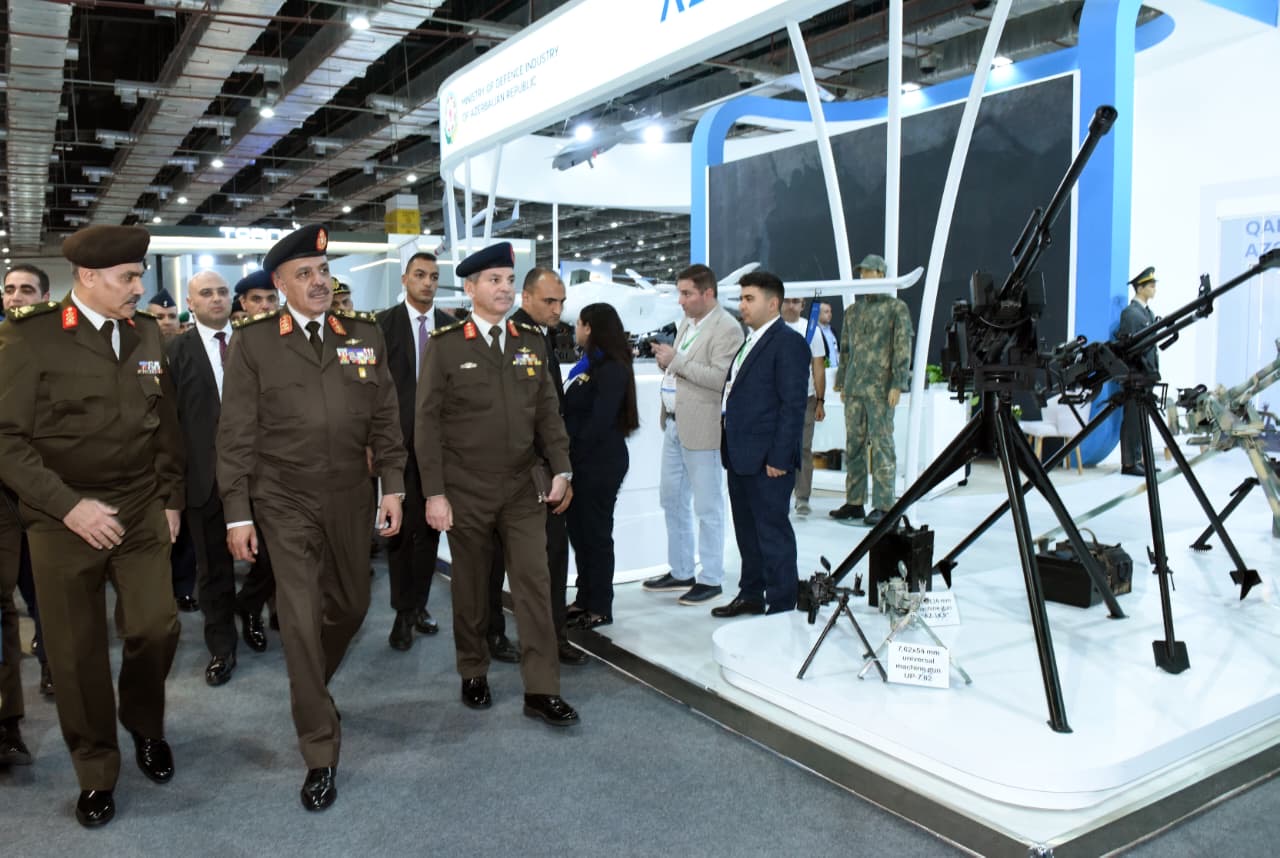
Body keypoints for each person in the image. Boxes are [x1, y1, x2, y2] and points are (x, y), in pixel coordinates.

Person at [217, 224, 406, 812]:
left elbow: (386, 419)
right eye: (305, 274)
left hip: (351, 493)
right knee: (298, 621)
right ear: (280, 284)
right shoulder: (254, 343)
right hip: (284, 498)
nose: (319, 282)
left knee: (352, 605)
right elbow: (235, 435)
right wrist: (237, 514)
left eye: (323, 271)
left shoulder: (363, 335)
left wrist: (393, 486)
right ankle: (320, 750)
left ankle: (311, 688)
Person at [0, 225, 184, 828]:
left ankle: (143, 721)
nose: (139, 288)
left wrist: (171, 496)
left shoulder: (146, 331)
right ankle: (96, 769)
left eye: (139, 275)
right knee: (76, 654)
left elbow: (166, 424)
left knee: (157, 627)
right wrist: (68, 506)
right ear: (88, 277)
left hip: (139, 505)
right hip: (62, 518)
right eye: (128, 277)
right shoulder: (31, 336)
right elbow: (6, 440)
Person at [416, 241, 579, 728]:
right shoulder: (447, 345)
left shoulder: (530, 341)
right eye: (494, 280)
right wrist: (434, 492)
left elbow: (548, 412)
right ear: (470, 288)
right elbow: (426, 423)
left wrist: (563, 469)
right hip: (466, 489)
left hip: (521, 489)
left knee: (535, 585)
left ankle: (542, 689)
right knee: (471, 588)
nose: (505, 288)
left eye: (509, 280)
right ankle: (473, 669)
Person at [168, 270, 275, 687]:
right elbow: (170, 424)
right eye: (206, 293)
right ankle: (222, 647)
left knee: (272, 558)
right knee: (213, 570)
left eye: (222, 292)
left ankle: (249, 605)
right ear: (191, 303)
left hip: (261, 475)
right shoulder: (174, 352)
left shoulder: (255, 342)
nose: (216, 299)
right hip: (205, 479)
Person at [488, 267, 585, 666]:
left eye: (561, 302)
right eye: (549, 301)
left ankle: (549, 637)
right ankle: (496, 634)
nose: (557, 309)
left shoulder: (540, 336)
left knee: (549, 556)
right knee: (502, 557)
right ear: (525, 298)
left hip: (541, 467)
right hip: (521, 469)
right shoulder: (513, 338)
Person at [643, 264, 744, 606]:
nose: (681, 300)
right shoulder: (688, 323)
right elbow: (684, 367)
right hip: (674, 423)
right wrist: (668, 363)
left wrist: (677, 361)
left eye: (687, 293)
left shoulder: (727, 328)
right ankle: (682, 570)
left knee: (707, 506)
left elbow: (720, 379)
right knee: (671, 499)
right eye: (680, 293)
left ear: (708, 293)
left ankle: (711, 577)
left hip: (703, 427)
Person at [712, 271, 809, 617]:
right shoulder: (750, 341)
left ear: (773, 303)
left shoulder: (788, 343)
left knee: (772, 534)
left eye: (749, 299)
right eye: (741, 298)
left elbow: (792, 405)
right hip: (740, 456)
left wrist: (780, 457)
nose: (742, 305)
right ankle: (751, 593)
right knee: (748, 533)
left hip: (769, 460)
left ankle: (781, 605)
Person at [375, 252, 453, 651]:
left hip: (441, 448)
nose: (427, 282)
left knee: (430, 532)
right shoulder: (381, 326)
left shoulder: (452, 328)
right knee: (401, 534)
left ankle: (418, 605)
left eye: (434, 276)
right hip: (398, 446)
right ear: (405, 279)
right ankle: (403, 612)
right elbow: (371, 390)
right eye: (420, 275)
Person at [563, 303, 638, 628]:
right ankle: (584, 598)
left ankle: (600, 605)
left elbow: (600, 420)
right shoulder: (589, 364)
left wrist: (570, 449)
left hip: (599, 462)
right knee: (580, 533)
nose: (575, 330)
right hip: (582, 460)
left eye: (578, 324)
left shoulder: (611, 367)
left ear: (589, 327)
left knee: (596, 534)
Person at [830, 254, 913, 527]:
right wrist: (842, 381)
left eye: (869, 272)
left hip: (880, 389)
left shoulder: (896, 308)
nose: (864, 277)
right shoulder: (853, 311)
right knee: (853, 445)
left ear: (881, 274)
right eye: (862, 273)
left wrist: (898, 383)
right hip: (855, 387)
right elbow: (845, 349)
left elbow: (902, 347)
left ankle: (884, 504)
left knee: (881, 445)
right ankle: (855, 502)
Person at [780, 296, 827, 515]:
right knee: (776, 447)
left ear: (802, 305)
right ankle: (778, 494)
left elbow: (818, 367)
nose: (791, 306)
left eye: (795, 301)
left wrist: (820, 400)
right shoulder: (770, 327)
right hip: (774, 400)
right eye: (787, 301)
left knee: (803, 449)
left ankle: (802, 497)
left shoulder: (812, 330)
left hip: (804, 399)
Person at [1118, 266, 1160, 477]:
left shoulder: (1147, 313)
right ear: (1140, 288)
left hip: (1146, 375)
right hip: (1136, 375)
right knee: (1133, 419)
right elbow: (1128, 348)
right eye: (1150, 285)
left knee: (1142, 419)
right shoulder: (1130, 313)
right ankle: (1129, 462)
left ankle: (1139, 459)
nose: (1154, 288)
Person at [817, 302, 839, 369]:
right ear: (818, 314)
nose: (830, 314)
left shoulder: (832, 330)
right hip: (825, 369)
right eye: (826, 312)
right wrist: (826, 368)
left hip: (837, 369)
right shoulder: (815, 332)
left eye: (830, 311)